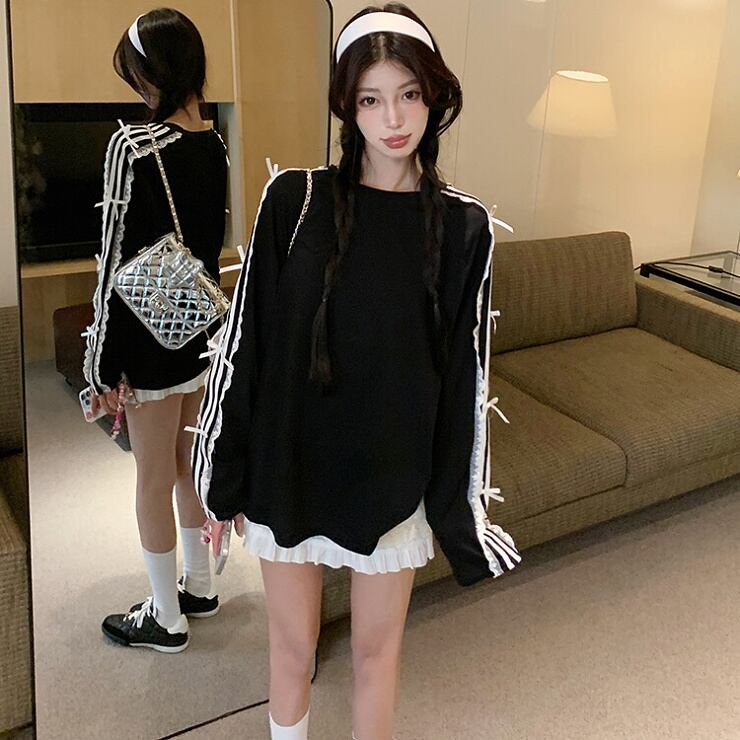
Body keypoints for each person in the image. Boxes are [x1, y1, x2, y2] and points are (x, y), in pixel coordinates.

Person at [192, 3, 521, 736]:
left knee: (377, 653)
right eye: (371, 99)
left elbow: (465, 377)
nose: (393, 119)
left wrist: (458, 508)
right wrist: (221, 477)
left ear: (434, 96)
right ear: (347, 105)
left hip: (390, 472)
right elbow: (246, 345)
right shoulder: (294, 200)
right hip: (291, 461)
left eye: (409, 94)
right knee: (291, 650)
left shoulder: (463, 226)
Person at [82, 8, 228, 653]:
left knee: (150, 474)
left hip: (147, 337)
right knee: (185, 463)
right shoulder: (214, 142)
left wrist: (99, 366)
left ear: (152, 73)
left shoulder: (133, 146)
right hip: (198, 327)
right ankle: (199, 585)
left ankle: (165, 617)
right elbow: (206, 246)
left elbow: (113, 263)